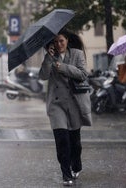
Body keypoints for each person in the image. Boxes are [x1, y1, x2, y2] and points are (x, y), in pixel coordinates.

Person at [39, 29, 92, 186]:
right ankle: (66, 174)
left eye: (61, 41)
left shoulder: (77, 54)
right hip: (56, 105)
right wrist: (48, 58)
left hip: (74, 103)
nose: (58, 44)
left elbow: (83, 74)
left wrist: (62, 67)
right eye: (55, 42)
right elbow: (42, 76)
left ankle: (76, 165)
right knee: (62, 140)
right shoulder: (50, 56)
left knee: (75, 142)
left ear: (67, 40)